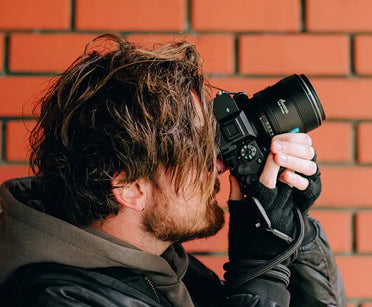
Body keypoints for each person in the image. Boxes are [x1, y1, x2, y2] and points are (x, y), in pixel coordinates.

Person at [0, 34, 345, 306]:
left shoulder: (160, 265)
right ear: (130, 186)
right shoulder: (53, 298)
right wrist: (259, 274)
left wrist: (292, 234)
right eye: (197, 147)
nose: (219, 162)